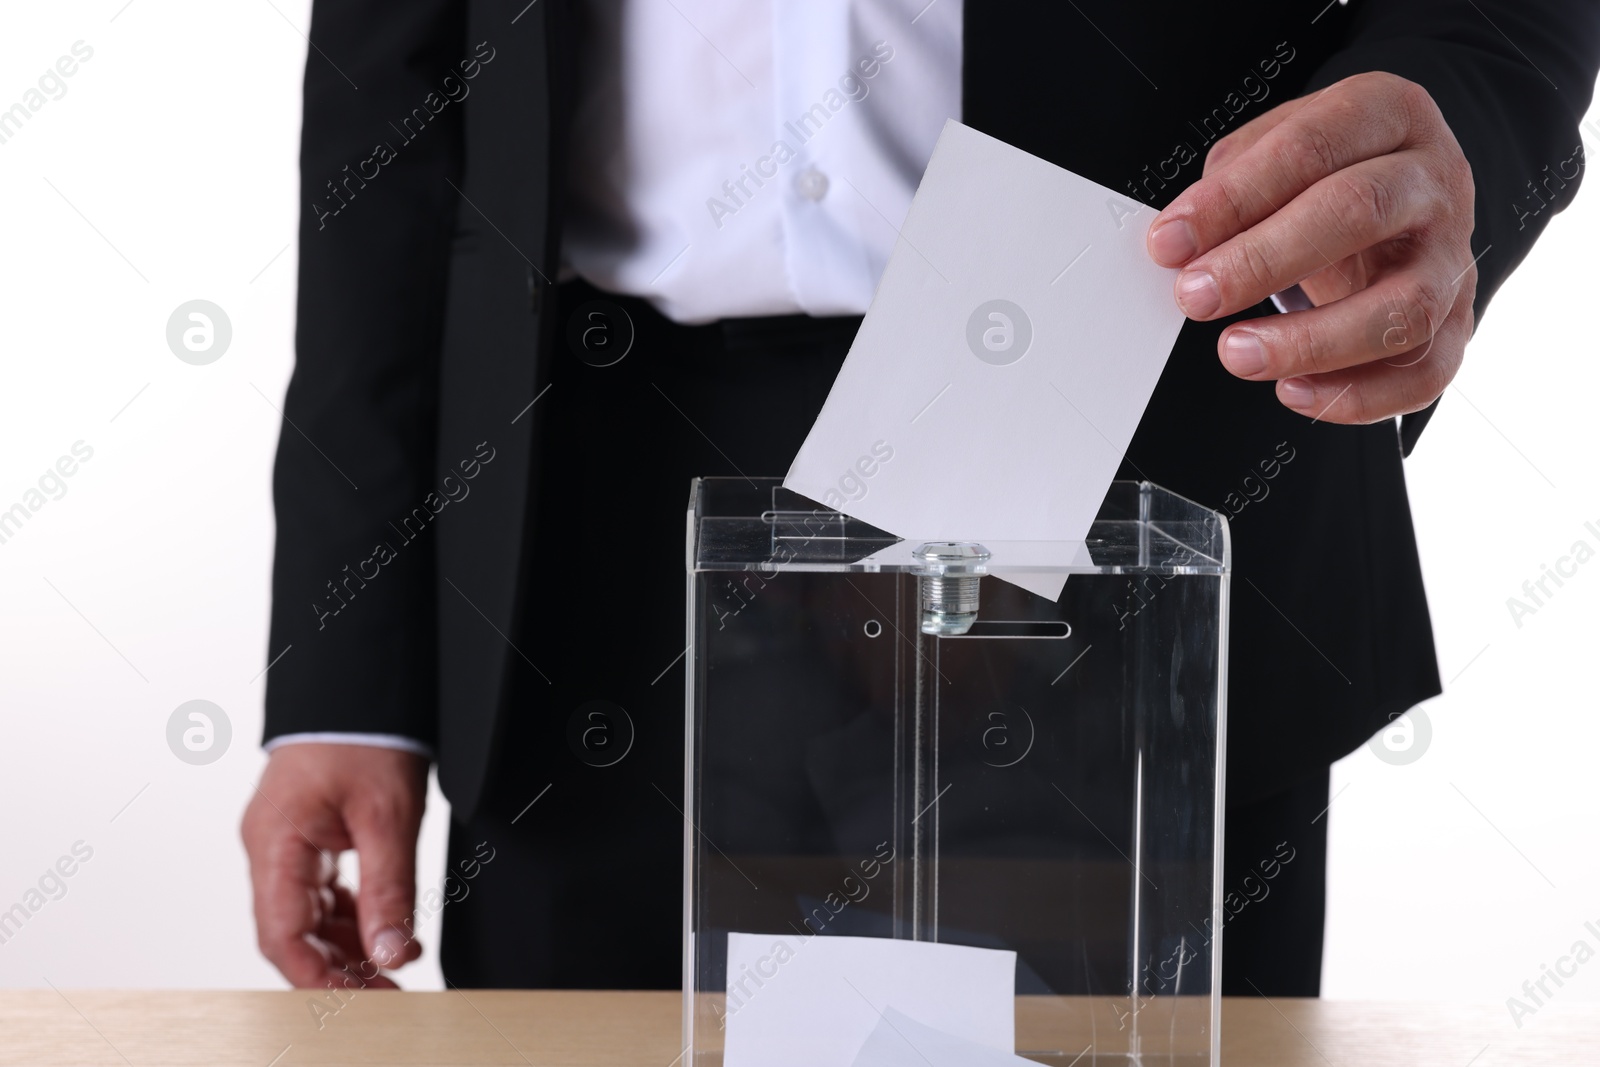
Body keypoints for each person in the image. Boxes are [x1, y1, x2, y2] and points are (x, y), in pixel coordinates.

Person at [242, 0, 1600, 997]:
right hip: (573, 541)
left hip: (1139, 454)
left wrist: (1447, 131)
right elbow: (386, 95)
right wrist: (348, 673)